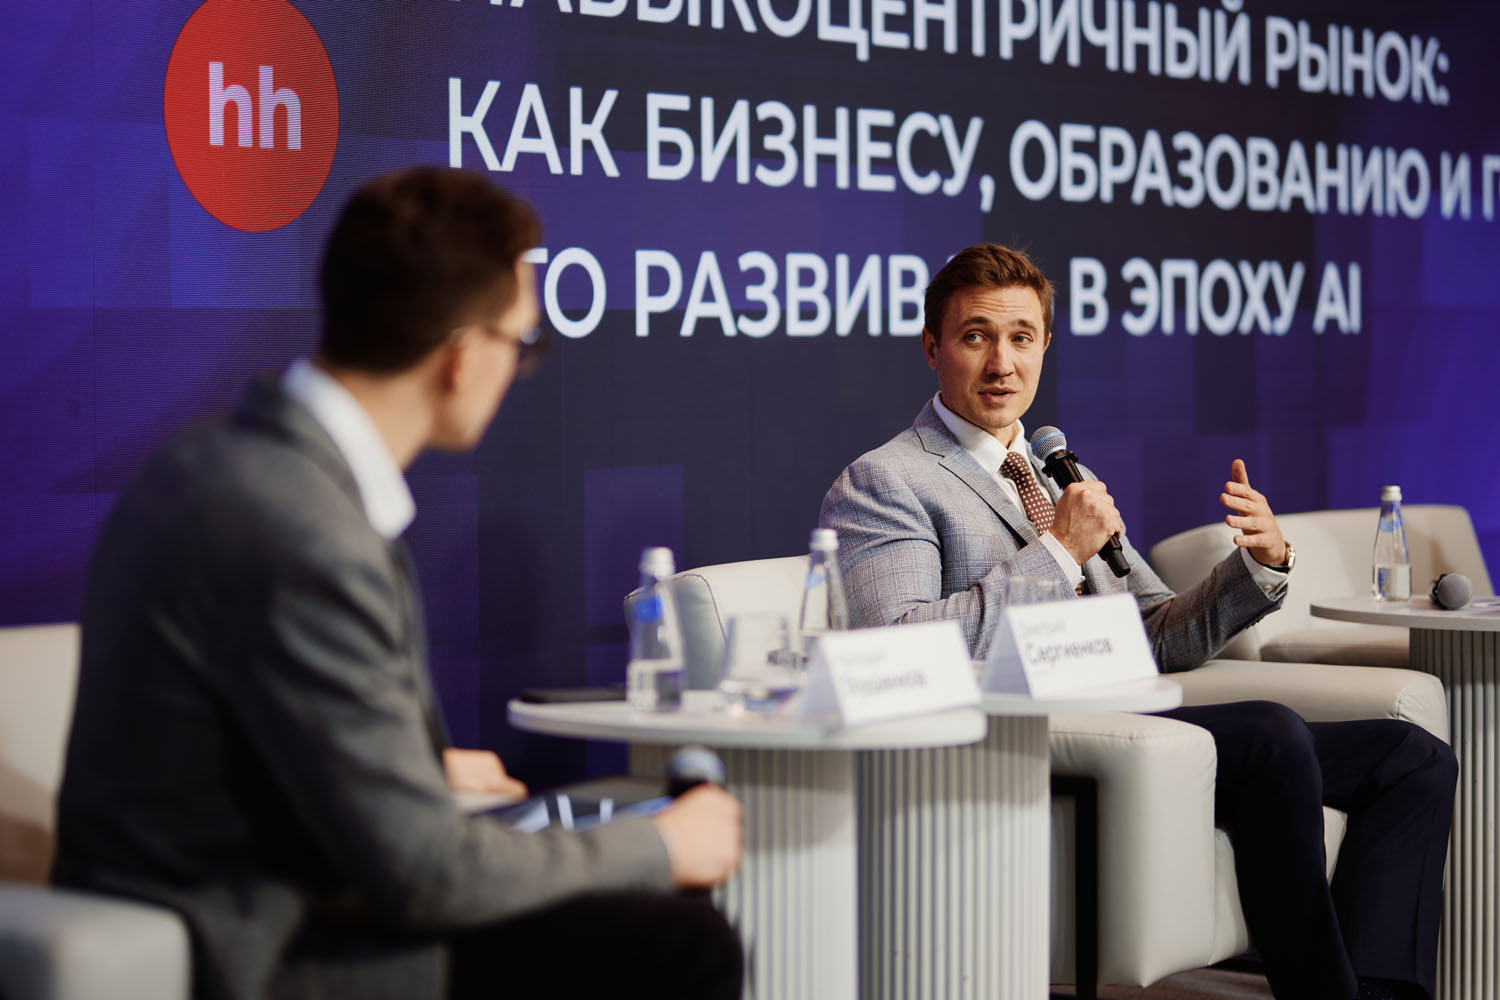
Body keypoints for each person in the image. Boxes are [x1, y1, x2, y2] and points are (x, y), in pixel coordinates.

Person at [53, 167, 744, 1000]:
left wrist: (411, 768)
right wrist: (664, 843)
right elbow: (426, 875)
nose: (519, 368)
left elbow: (236, 737)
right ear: (462, 357)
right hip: (266, 942)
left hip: (250, 883)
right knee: (679, 943)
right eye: (522, 343)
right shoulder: (304, 532)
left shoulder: (212, 465)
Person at [819, 242, 1455, 1000]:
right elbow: (898, 650)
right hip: (1019, 741)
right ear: (933, 348)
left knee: (1412, 757)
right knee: (1272, 733)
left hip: (1126, 714)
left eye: (1021, 337)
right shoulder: (886, 479)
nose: (1001, 364)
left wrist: (1259, 565)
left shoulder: (1063, 472)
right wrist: (1058, 551)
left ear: (1045, 347)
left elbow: (1156, 631)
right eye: (975, 336)